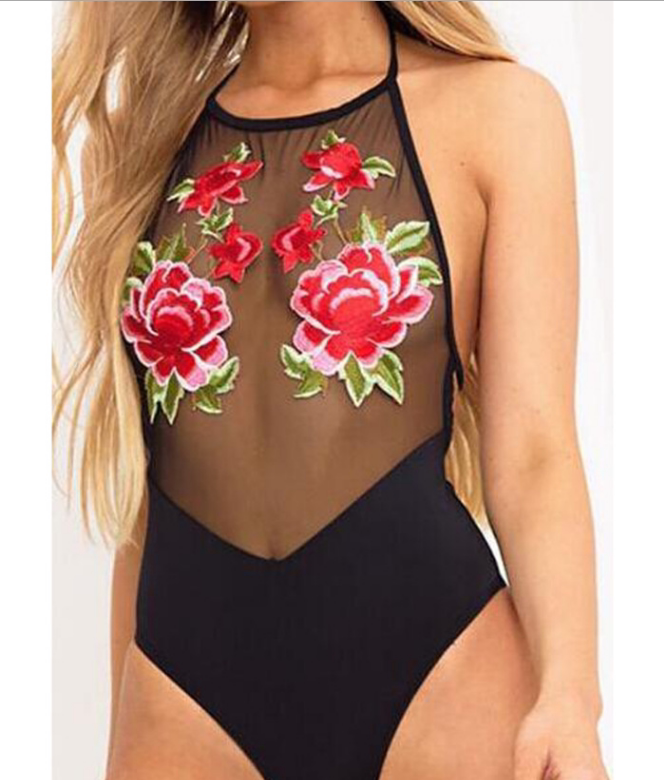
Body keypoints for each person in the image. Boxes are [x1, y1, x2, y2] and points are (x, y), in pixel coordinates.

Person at [53, 2, 609, 778]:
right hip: (182, 690)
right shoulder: (152, 138)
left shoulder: (497, 113)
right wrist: (120, 713)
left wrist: (570, 696)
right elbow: (149, 471)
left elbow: (535, 450)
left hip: (440, 673)